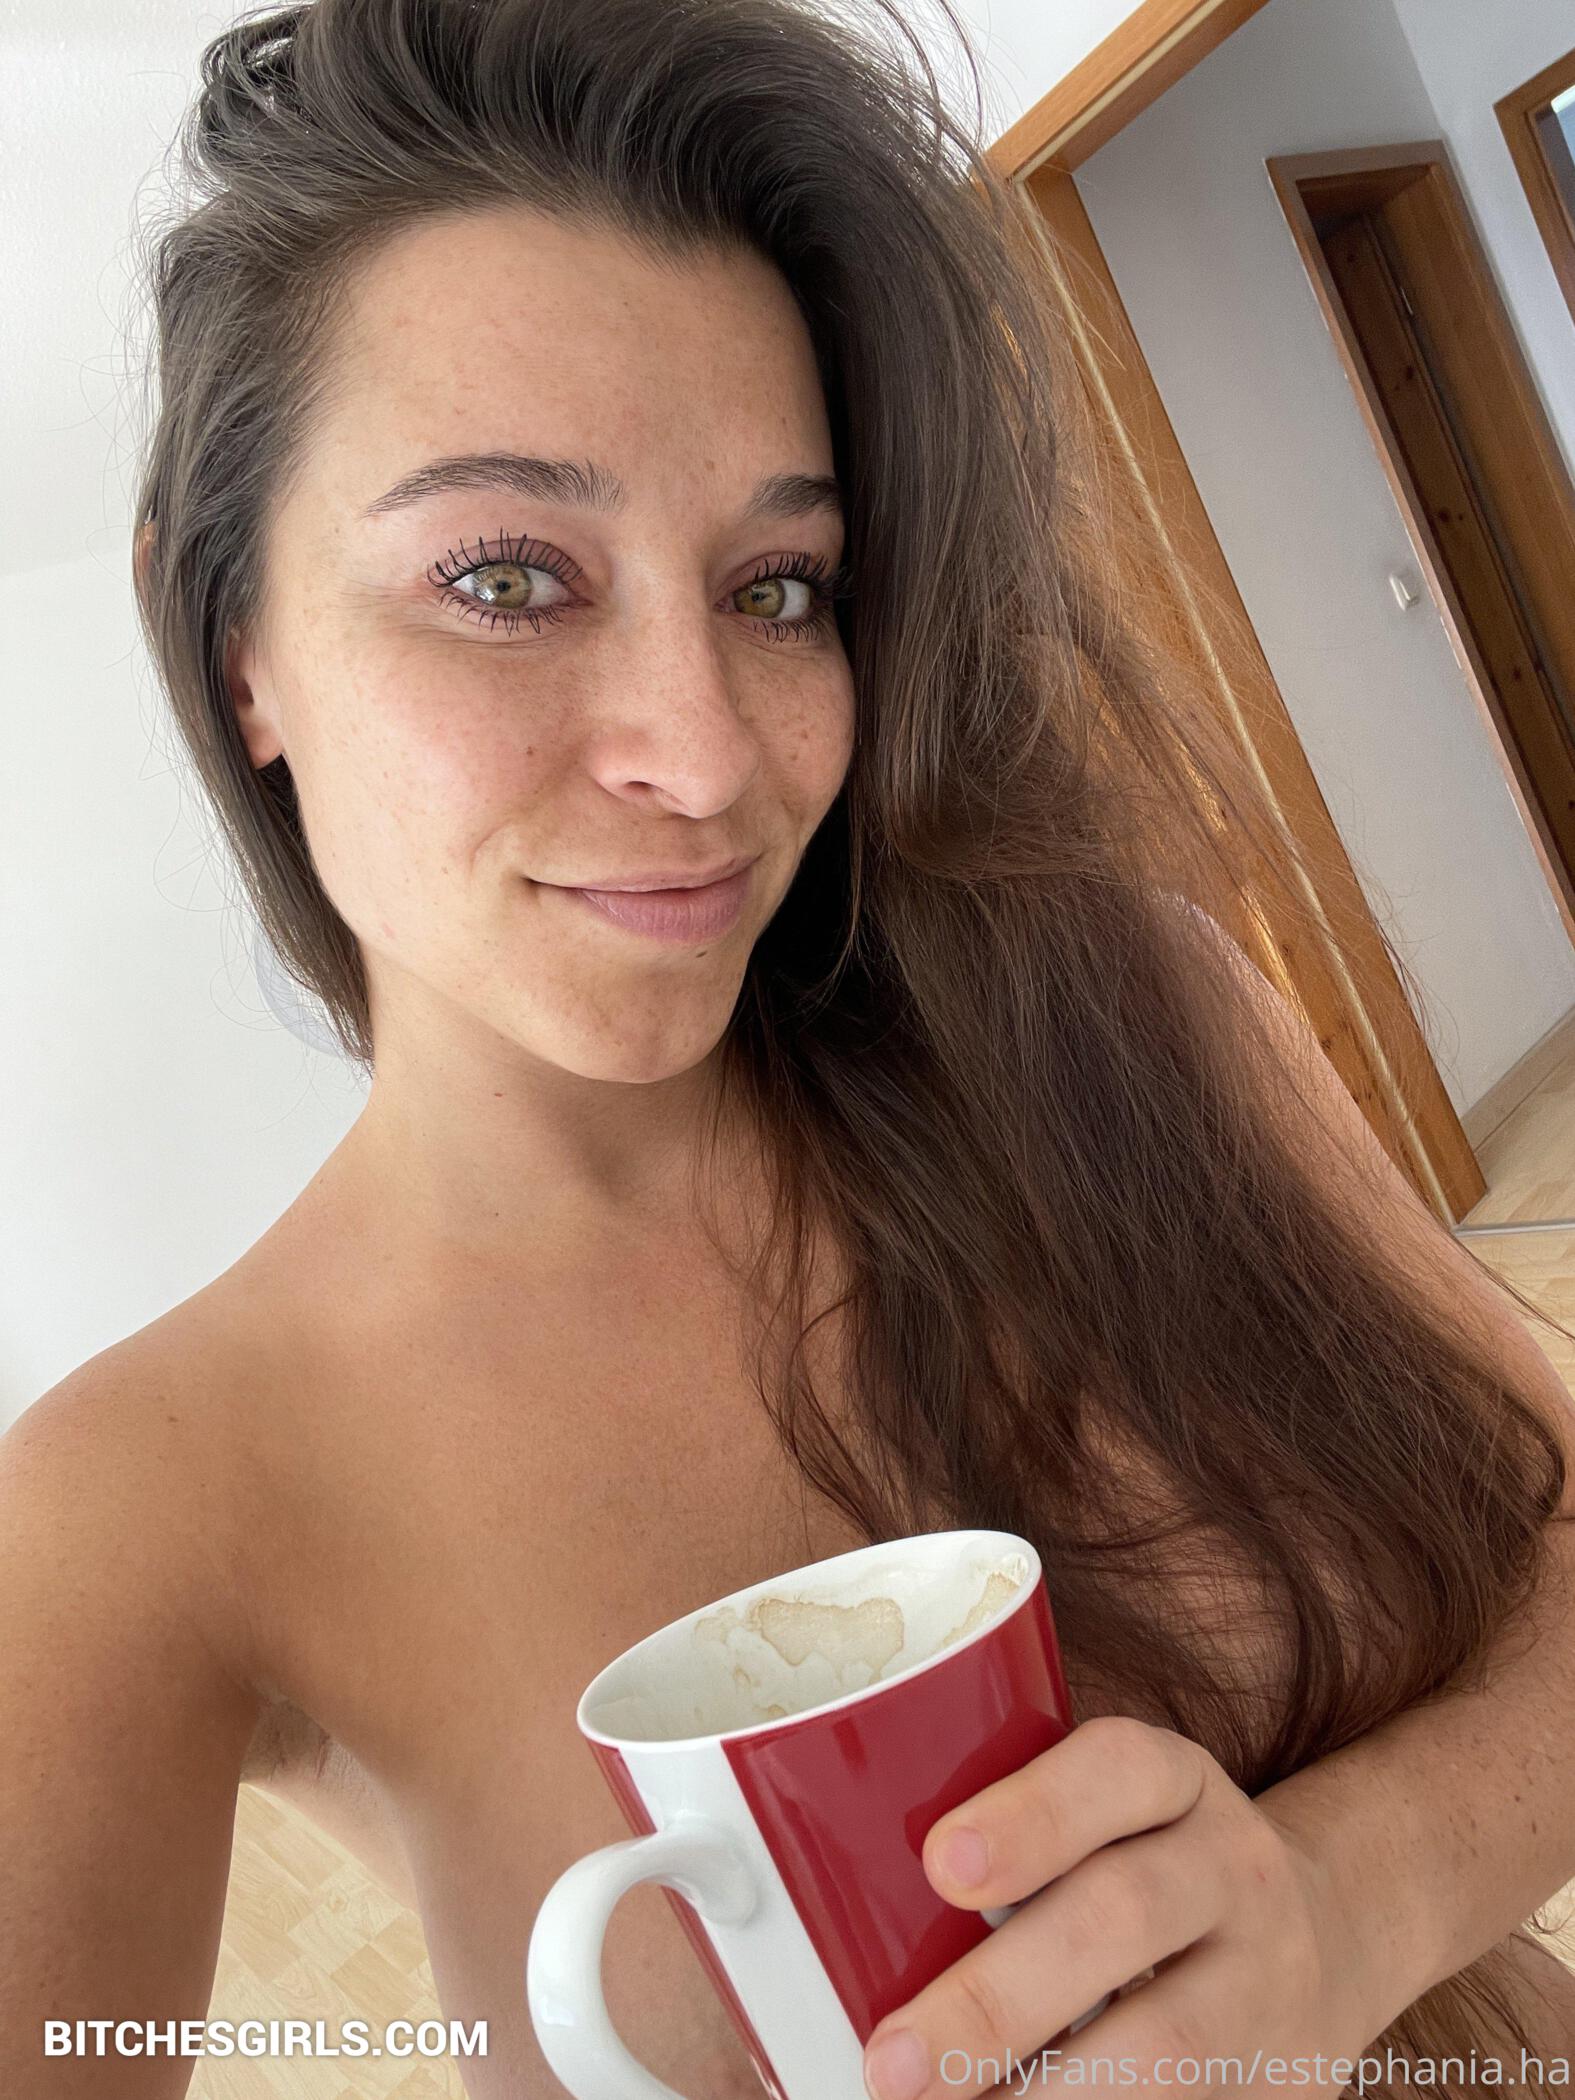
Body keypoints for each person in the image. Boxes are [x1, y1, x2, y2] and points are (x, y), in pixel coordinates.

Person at [5, 0, 1575, 2095]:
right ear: (239, 650)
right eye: (504, 576)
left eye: (776, 587)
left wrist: (1345, 1903)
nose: (708, 751)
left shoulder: (1124, 1016)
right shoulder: (146, 1505)